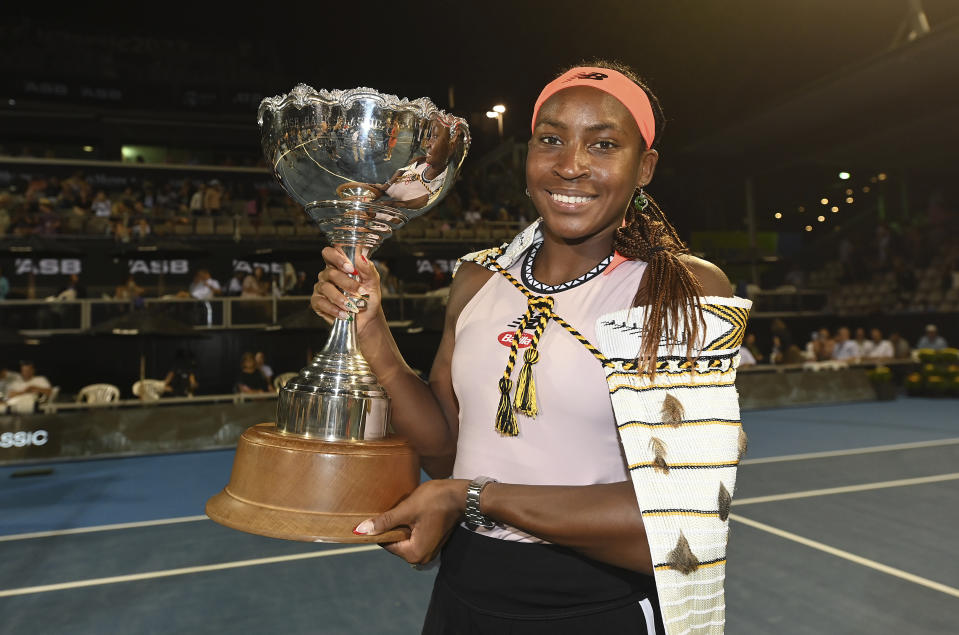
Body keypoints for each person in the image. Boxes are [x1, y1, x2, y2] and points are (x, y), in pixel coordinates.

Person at [312, 61, 751, 634]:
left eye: (604, 144)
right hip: (464, 594)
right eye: (551, 139)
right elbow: (447, 449)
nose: (571, 165)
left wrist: (475, 498)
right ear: (527, 157)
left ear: (644, 169)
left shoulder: (675, 289)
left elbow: (672, 533)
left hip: (595, 607)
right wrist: (374, 336)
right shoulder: (477, 278)